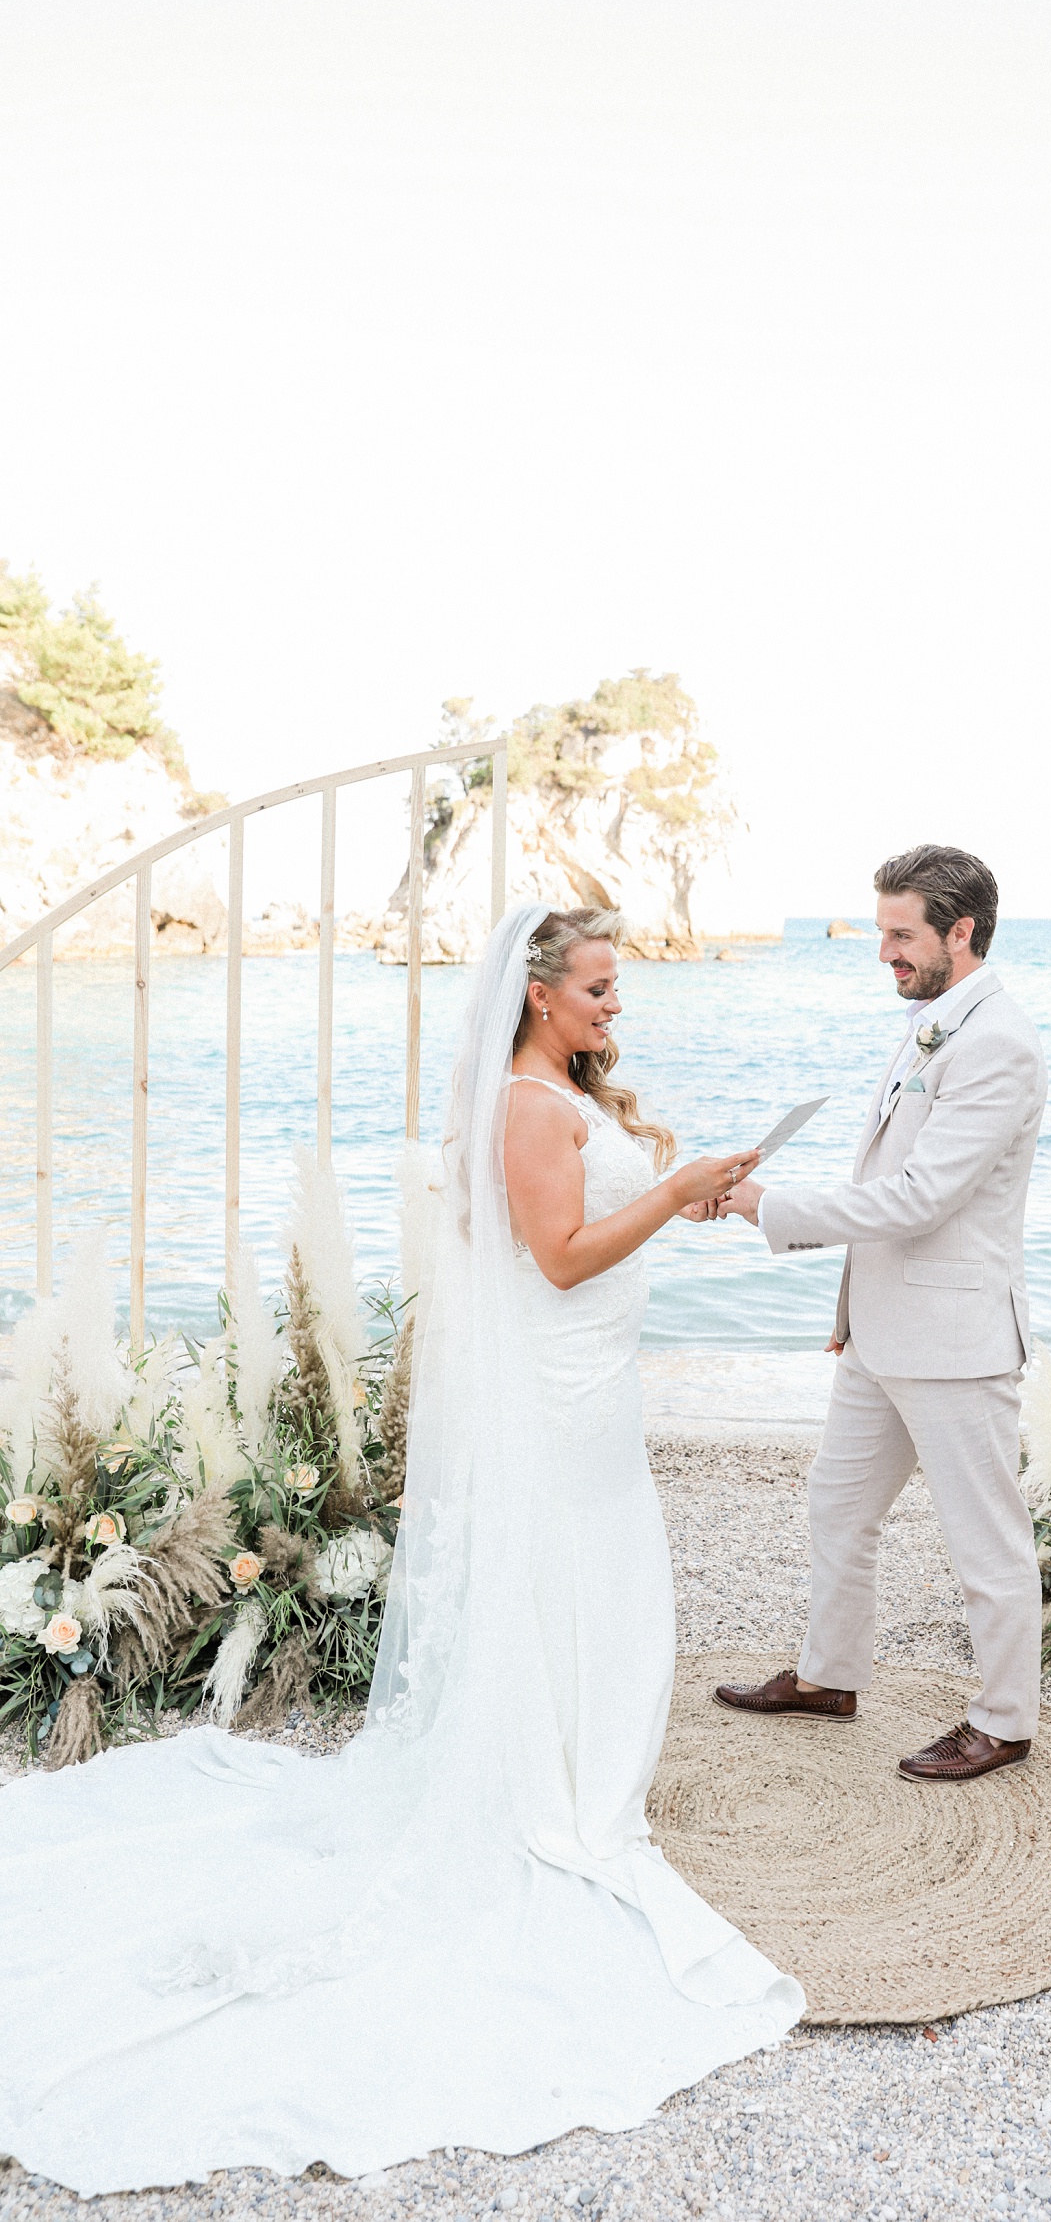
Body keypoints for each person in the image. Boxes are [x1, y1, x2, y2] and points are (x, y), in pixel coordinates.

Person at [0, 903, 802, 2197]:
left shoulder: (551, 1094)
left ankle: (575, 1766)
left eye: (616, 990)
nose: (615, 1008)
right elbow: (556, 1258)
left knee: (590, 1567)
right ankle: (562, 1792)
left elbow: (584, 1245)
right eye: (599, 988)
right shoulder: (533, 1108)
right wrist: (669, 1186)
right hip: (561, 1384)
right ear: (540, 995)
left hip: (585, 1383)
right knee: (581, 1565)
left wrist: (678, 1200)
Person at [714, 845, 1047, 1783]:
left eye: (902, 935)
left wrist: (767, 1207)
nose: (884, 954)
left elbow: (918, 1200)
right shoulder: (933, 1023)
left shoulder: (998, 1042)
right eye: (882, 933)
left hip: (954, 1342)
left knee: (986, 1543)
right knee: (837, 1504)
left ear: (961, 931)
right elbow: (884, 1189)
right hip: (880, 1334)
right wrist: (850, 1303)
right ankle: (829, 1677)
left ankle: (1005, 1720)